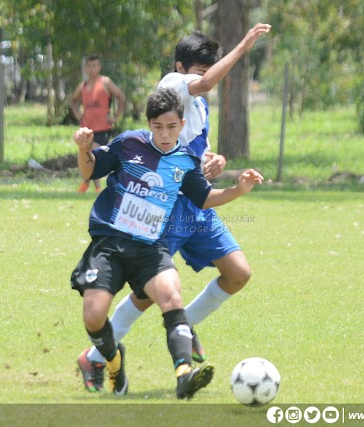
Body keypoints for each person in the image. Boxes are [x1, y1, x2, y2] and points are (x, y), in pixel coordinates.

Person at [78, 24, 271, 392]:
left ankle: (186, 324)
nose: (205, 80)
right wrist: (244, 45)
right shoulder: (173, 82)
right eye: (200, 71)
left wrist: (215, 162)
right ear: (181, 69)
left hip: (196, 203)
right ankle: (95, 357)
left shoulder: (195, 108)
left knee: (237, 273)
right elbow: (208, 83)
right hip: (166, 207)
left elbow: (199, 153)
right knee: (149, 294)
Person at [71, 55, 127, 193]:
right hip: (86, 128)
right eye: (90, 66)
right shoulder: (83, 86)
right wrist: (78, 115)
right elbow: (73, 100)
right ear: (86, 68)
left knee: (93, 155)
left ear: (99, 67)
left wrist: (116, 117)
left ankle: (95, 187)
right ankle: (88, 183)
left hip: (102, 127)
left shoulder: (105, 82)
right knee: (85, 155)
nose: (92, 69)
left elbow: (121, 97)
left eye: (95, 65)